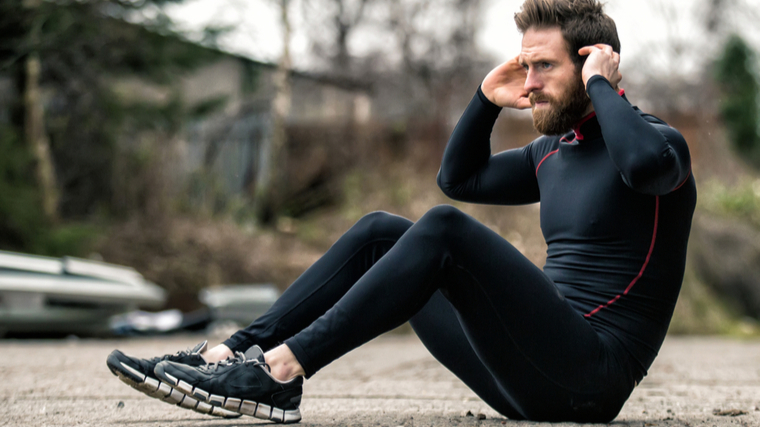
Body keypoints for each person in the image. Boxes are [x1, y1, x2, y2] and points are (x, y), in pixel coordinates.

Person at [106, 0, 696, 423]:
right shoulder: (552, 153)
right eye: (524, 64)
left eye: (545, 66)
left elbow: (643, 167)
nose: (530, 81)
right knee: (382, 232)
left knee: (441, 230)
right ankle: (230, 354)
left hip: (590, 382)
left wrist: (600, 88)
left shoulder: (660, 146)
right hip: (523, 375)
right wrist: (484, 101)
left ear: (596, 62)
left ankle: (281, 373)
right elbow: (458, 179)